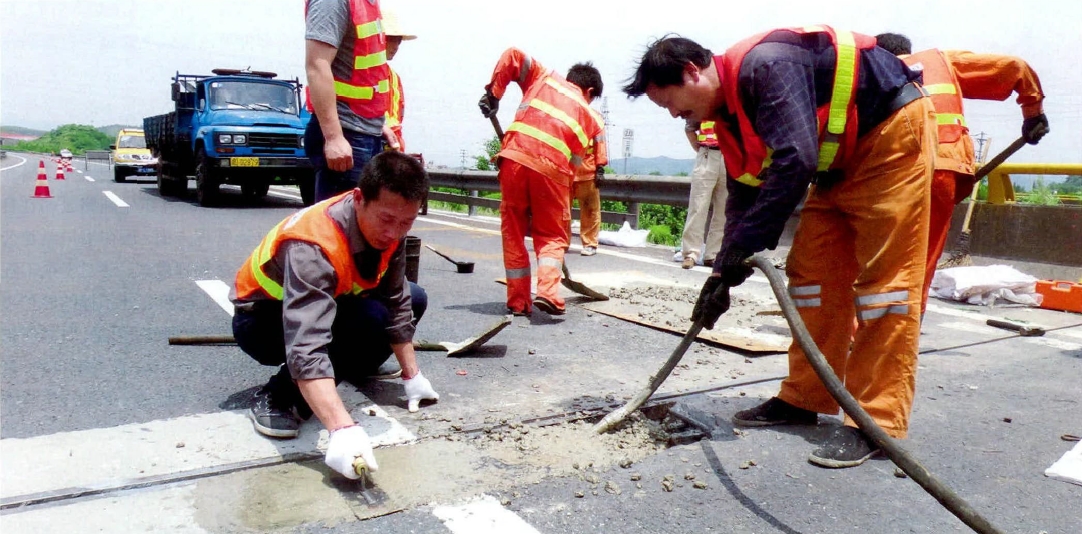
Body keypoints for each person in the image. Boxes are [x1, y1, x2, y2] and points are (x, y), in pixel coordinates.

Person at [625, 27, 937, 468]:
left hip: (889, 139)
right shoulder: (729, 112)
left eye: (669, 102)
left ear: (691, 72)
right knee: (811, 278)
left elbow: (795, 160)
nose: (676, 115)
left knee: (884, 288)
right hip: (840, 164)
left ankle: (876, 423)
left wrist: (746, 248)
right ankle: (806, 397)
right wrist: (722, 276)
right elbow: (745, 190)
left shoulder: (765, 66)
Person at [231, 151, 440, 480]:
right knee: (368, 320)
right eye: (386, 220)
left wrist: (411, 376)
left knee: (414, 298)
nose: (394, 233)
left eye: (406, 222)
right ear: (360, 199)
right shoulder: (313, 245)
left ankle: (344, 364)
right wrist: (342, 429)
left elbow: (397, 301)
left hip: (326, 306)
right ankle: (279, 395)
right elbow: (307, 343)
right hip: (262, 321)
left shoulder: (392, 228)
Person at [875, 33, 1048, 314]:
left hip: (891, 174)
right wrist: (1033, 114)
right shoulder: (941, 61)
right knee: (920, 262)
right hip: (944, 168)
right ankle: (901, 336)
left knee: (875, 261)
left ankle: (863, 335)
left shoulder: (869, 70)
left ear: (878, 53)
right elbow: (1015, 67)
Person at [479, 48, 605, 315]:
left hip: (513, 160)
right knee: (551, 236)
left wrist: (494, 94)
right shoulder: (591, 118)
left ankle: (518, 301)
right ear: (591, 92)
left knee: (513, 231)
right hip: (553, 173)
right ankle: (547, 292)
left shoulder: (544, 77)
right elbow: (573, 167)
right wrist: (553, 208)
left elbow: (512, 55)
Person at [305, 0, 400, 202]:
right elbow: (317, 65)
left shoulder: (367, 3)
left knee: (360, 225)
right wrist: (333, 137)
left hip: (364, 132)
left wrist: (377, 123)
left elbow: (362, 73)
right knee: (339, 226)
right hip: (347, 134)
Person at [680, 120, 728, 269]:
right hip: (707, 153)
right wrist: (701, 150)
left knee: (723, 210)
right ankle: (691, 253)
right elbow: (689, 129)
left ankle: (713, 255)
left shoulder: (737, 101)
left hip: (729, 157)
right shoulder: (705, 102)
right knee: (698, 206)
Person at [568, 118, 608, 257]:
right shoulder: (565, 112)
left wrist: (600, 166)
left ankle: (590, 243)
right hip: (566, 171)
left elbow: (600, 143)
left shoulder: (594, 118)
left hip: (587, 172)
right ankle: (560, 241)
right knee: (561, 211)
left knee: (590, 210)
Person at [382, 8, 416, 152]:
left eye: (399, 41)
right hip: (372, 140)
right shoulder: (362, 73)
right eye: (391, 39)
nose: (395, 47)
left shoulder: (395, 78)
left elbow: (398, 117)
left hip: (391, 145)